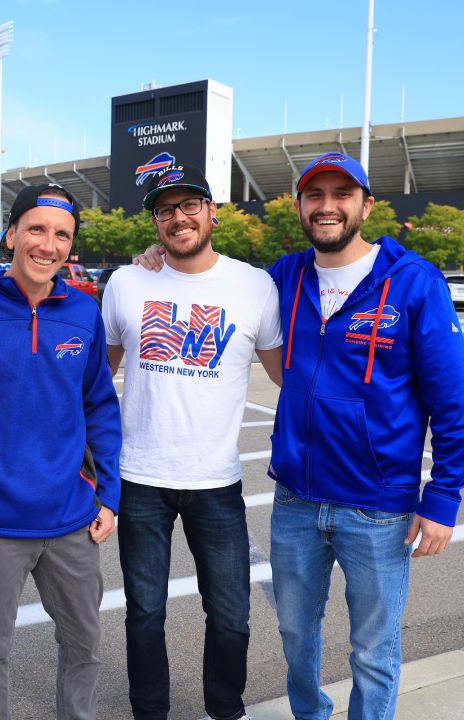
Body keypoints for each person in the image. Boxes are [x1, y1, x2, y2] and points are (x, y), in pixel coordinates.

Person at [267, 152, 464, 719]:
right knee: (294, 633)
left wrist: (443, 497)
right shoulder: (284, 277)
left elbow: (453, 403)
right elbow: (210, 281)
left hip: (378, 510)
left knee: (373, 651)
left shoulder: (414, 284)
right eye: (316, 195)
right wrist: (157, 259)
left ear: (366, 204)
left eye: (342, 194)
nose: (328, 206)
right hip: (295, 501)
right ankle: (310, 713)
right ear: (301, 206)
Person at [0, 183, 122, 720]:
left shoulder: (83, 313)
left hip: (72, 518)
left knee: (84, 646)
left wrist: (109, 495)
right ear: (11, 234)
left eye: (62, 235)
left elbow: (100, 407)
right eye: (37, 229)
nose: (48, 244)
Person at [102, 165, 283, 720]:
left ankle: (225, 709)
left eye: (189, 207)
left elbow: (287, 375)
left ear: (212, 213)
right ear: (155, 224)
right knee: (143, 613)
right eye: (165, 211)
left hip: (216, 481)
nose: (178, 218)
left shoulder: (255, 285)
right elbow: (96, 378)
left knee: (231, 615)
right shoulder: (126, 283)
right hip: (140, 478)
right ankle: (149, 712)